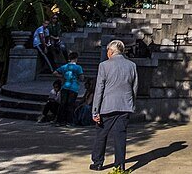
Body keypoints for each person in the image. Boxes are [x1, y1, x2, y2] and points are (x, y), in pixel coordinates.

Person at [90, 39, 137, 172]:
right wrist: (132, 104)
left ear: (111, 51)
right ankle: (120, 165)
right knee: (120, 136)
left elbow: (99, 89)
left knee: (101, 134)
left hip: (107, 106)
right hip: (125, 105)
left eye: (107, 51)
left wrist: (95, 110)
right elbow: (134, 87)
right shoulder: (132, 65)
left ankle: (98, 162)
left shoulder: (104, 65)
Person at [54, 51, 84, 125]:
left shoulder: (64, 66)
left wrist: (62, 76)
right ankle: (69, 121)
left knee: (63, 104)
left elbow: (55, 73)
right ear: (76, 58)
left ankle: (60, 121)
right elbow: (81, 77)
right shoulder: (78, 67)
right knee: (70, 105)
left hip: (65, 87)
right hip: (74, 87)